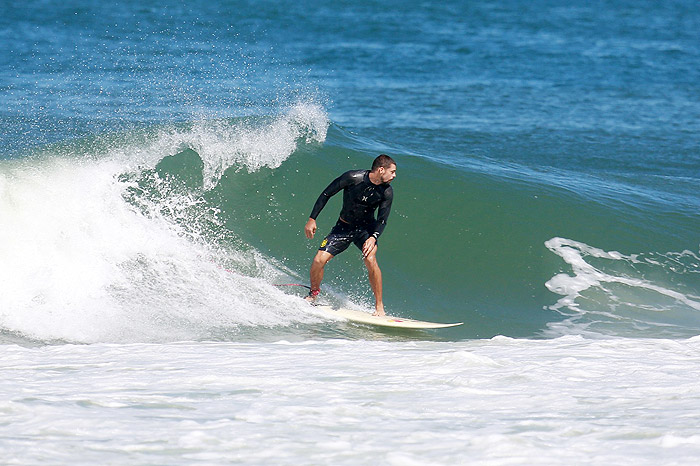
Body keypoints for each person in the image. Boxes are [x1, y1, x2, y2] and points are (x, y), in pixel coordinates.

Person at [304, 154, 397, 316]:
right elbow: (327, 193)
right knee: (319, 260)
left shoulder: (386, 192)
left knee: (370, 259)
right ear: (381, 170)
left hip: (366, 231)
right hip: (343, 228)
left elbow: (382, 220)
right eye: (392, 172)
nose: (394, 176)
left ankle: (379, 307)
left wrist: (373, 237)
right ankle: (313, 294)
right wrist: (312, 219)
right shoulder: (353, 178)